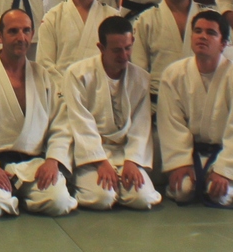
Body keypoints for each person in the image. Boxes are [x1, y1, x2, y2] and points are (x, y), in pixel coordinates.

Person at [0, 9, 76, 218]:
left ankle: (20, 193)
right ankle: (8, 194)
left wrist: (53, 160)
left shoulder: (42, 76)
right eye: (13, 31)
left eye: (26, 31)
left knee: (58, 202)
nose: (21, 38)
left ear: (33, 35)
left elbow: (60, 124)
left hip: (34, 165)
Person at [157, 10, 233, 207]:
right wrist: (180, 162)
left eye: (211, 33)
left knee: (219, 194)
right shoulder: (173, 74)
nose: (202, 36)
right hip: (190, 154)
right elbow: (171, 124)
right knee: (182, 191)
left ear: (224, 43)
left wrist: (225, 170)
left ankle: (229, 177)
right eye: (197, 31)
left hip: (226, 154)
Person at [64, 16, 163, 210]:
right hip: (91, 156)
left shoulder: (141, 79)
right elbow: (80, 123)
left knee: (142, 199)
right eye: (117, 50)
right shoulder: (78, 74)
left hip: (125, 152)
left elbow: (141, 126)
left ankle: (123, 180)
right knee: (102, 198)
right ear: (101, 48)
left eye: (128, 48)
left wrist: (133, 161)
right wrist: (100, 162)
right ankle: (88, 182)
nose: (124, 55)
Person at [132, 0, 232, 97]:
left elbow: (227, 61)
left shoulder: (211, 17)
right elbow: (138, 71)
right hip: (160, 98)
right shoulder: (146, 20)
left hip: (205, 96)